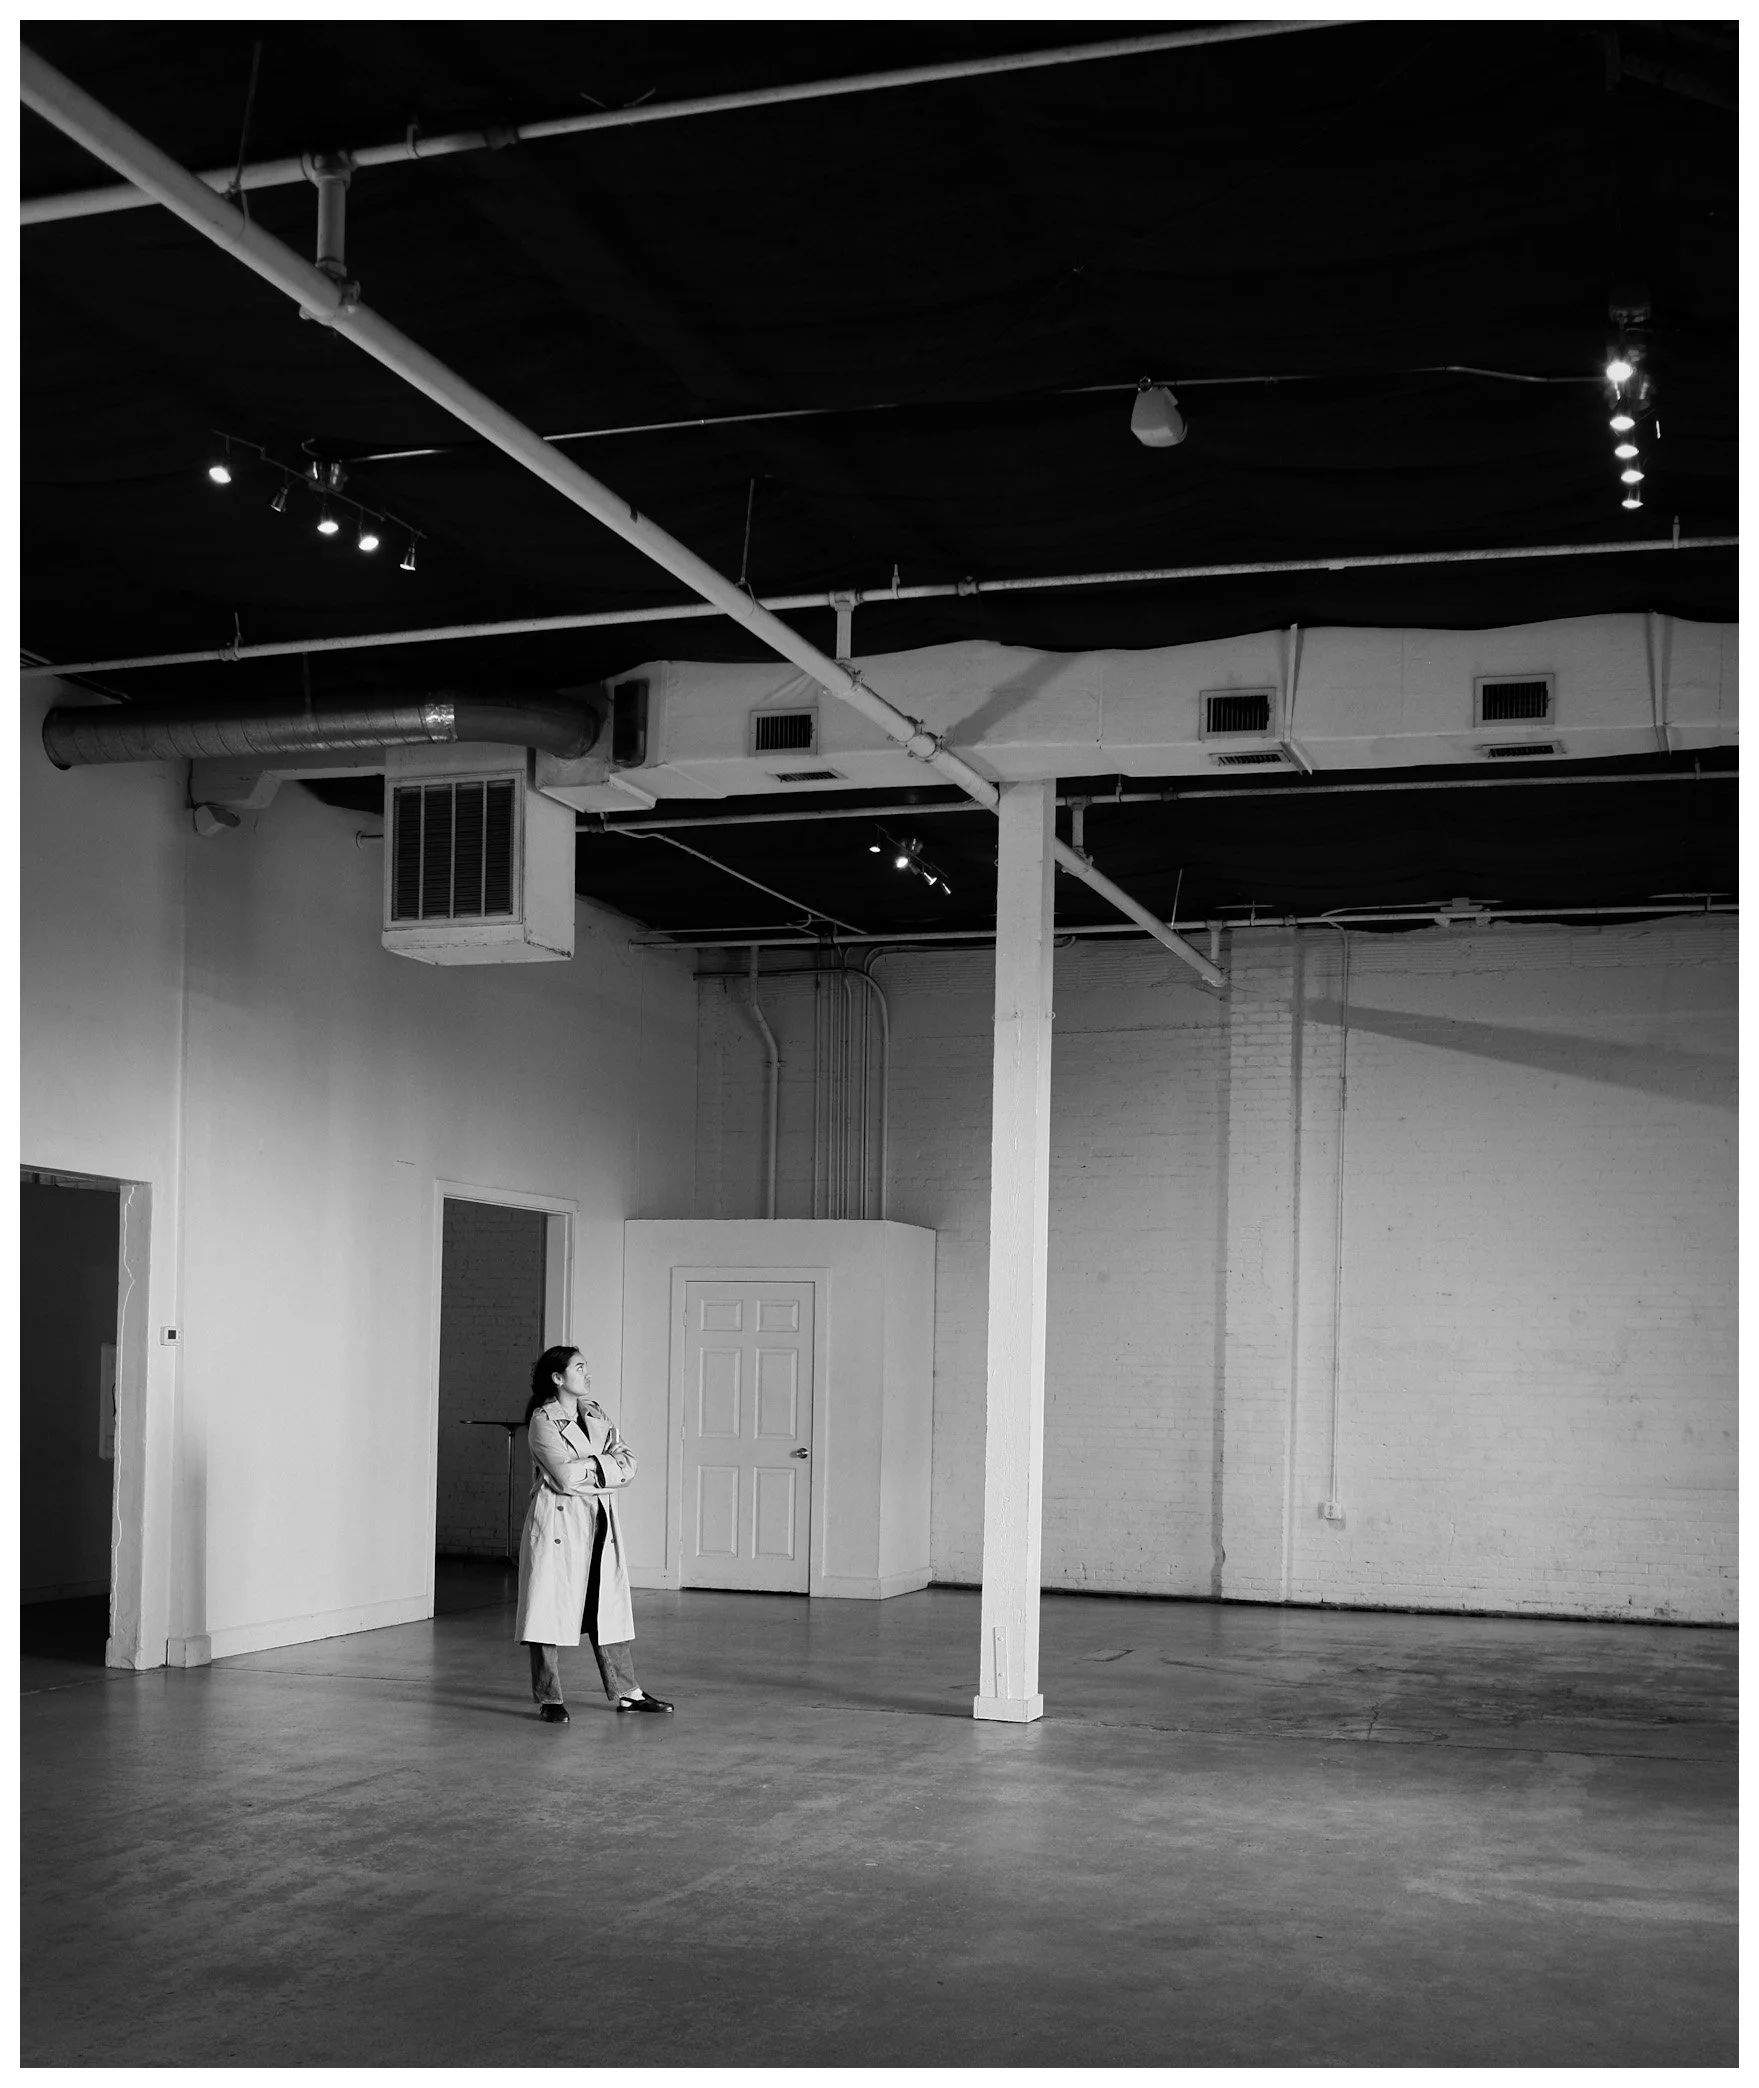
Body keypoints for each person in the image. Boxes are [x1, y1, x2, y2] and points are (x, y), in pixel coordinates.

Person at [514, 1345, 674, 1724]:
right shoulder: (543, 1421)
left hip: (599, 1522)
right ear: (558, 1378)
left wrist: (590, 1468)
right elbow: (565, 1478)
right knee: (547, 1608)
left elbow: (629, 1465)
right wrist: (604, 1469)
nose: (588, 1374)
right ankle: (549, 1697)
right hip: (557, 1525)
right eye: (580, 1367)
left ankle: (627, 1692)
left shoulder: (596, 1414)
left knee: (608, 1606)